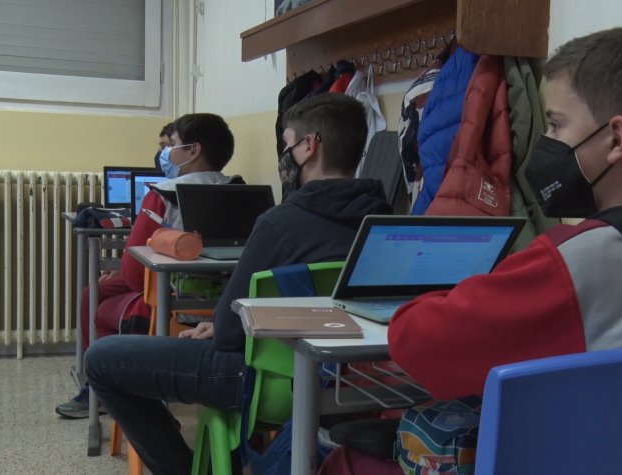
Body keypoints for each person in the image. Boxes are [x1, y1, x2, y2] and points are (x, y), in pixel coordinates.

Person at [339, 24, 622, 474]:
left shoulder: (575, 263)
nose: (546, 144)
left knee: (341, 461)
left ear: (616, 139)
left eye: (557, 125)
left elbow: (418, 343)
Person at [85, 93, 394, 474]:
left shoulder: (280, 223)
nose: (286, 155)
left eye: (288, 145)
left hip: (266, 383)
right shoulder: (385, 221)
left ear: (309, 147)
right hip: (352, 383)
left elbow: (230, 334)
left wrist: (218, 323)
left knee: (101, 360)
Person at [56, 113, 242, 419]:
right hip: (223, 308)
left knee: (94, 300)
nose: (166, 153)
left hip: (168, 304)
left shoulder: (162, 195)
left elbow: (132, 274)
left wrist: (127, 265)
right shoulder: (241, 190)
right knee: (99, 290)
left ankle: (104, 388)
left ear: (193, 151)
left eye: (173, 145)